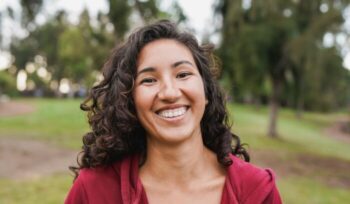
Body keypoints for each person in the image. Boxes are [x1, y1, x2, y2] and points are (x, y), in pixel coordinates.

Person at [65, 20, 282, 204]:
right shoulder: (94, 191)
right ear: (129, 101)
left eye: (183, 74)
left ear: (206, 91)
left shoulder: (258, 191)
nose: (169, 92)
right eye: (149, 80)